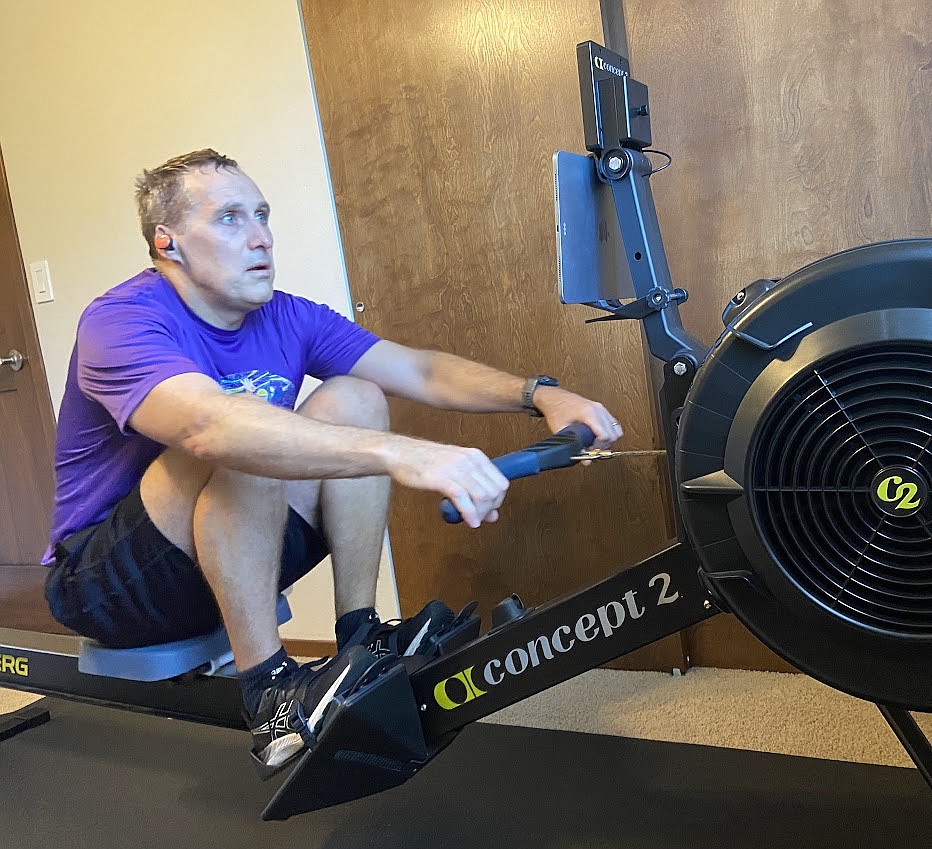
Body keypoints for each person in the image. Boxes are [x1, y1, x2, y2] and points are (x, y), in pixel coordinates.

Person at [43, 149, 622, 775]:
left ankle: (358, 630)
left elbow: (419, 370)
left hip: (219, 557)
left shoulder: (287, 315)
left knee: (356, 397)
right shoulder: (122, 319)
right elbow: (209, 426)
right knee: (245, 430)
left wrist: (541, 394)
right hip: (105, 585)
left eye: (262, 215)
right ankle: (268, 692)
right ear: (169, 243)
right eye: (231, 219)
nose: (261, 235)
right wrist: (407, 453)